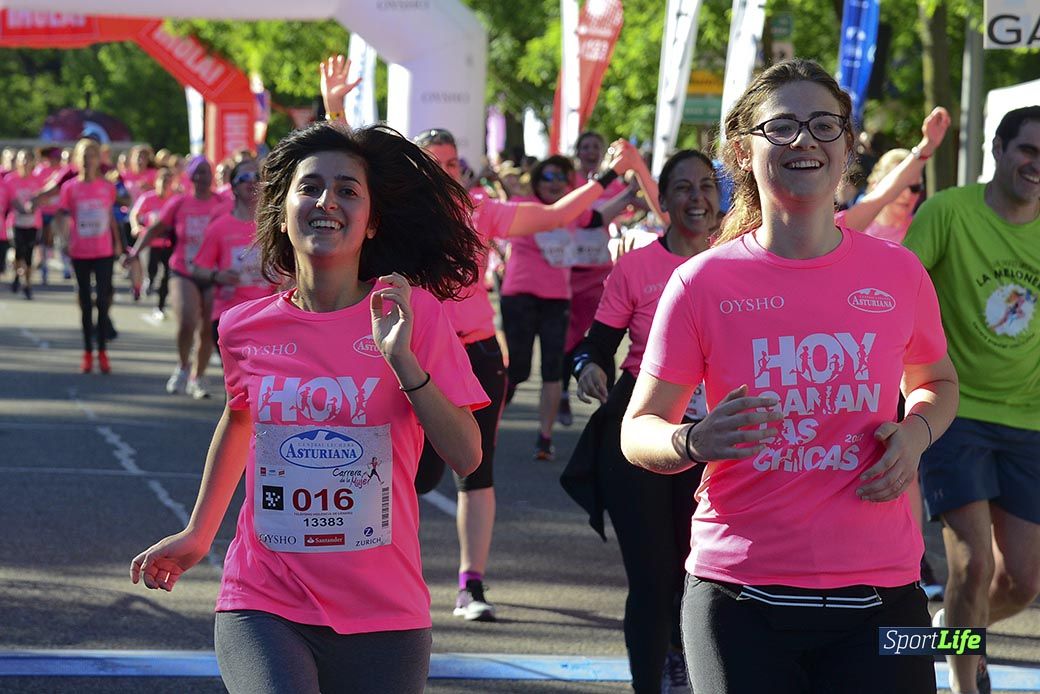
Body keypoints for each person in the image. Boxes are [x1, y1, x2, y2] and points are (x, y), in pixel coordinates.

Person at [620, 59, 959, 694]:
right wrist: (692, 441)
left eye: (824, 124)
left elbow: (937, 382)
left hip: (885, 595)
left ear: (848, 147)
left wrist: (915, 435)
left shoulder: (899, 273)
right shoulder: (701, 283)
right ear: (743, 152)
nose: (805, 139)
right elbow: (636, 429)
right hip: (738, 597)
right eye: (782, 127)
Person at [131, 121, 489, 694]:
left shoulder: (411, 313)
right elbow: (241, 416)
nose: (328, 201)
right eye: (310, 187)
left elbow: (468, 455)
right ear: (281, 210)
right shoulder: (244, 327)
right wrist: (200, 532)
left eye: (348, 189)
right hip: (263, 600)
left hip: (384, 613)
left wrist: (402, 361)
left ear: (372, 221)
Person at [319, 53, 647, 621]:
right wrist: (335, 109)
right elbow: (347, 169)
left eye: (453, 162)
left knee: (477, 469)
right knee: (402, 472)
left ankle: (471, 584)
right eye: (433, 161)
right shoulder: (393, 214)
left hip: (474, 354)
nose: (447, 171)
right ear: (414, 168)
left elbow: (555, 216)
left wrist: (607, 177)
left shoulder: (481, 211)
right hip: (404, 352)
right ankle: (376, 570)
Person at [563, 149, 717, 693]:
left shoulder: (736, 262)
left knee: (702, 574)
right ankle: (651, 680)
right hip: (643, 426)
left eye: (705, 186)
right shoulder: (636, 267)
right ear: (664, 200)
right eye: (682, 187)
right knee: (652, 580)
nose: (695, 197)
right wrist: (588, 370)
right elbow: (597, 345)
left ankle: (688, 658)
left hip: (718, 434)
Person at [904, 105, 1040, 694]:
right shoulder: (949, 213)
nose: (1037, 165)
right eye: (1028, 150)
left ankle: (953, 630)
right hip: (951, 409)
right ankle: (964, 683)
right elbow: (899, 290)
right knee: (972, 566)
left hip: (1028, 419)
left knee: (1023, 583)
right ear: (1000, 151)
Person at [500, 154, 635, 460]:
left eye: (561, 178)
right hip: (519, 297)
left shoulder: (571, 211)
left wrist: (629, 193)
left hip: (557, 299)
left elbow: (601, 217)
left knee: (552, 370)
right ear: (536, 181)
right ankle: (489, 420)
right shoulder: (521, 207)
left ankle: (544, 439)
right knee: (519, 369)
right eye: (547, 177)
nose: (555, 183)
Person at [128, 155, 229, 398]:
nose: (203, 177)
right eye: (199, 172)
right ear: (191, 176)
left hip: (212, 273)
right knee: (187, 321)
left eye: (207, 172)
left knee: (206, 329)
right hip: (184, 270)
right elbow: (155, 228)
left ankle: (198, 377)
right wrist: (135, 252)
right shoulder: (180, 203)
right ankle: (183, 366)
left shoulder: (222, 203)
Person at [53, 138, 122, 374]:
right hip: (79, 252)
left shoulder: (107, 187)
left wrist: (119, 245)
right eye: (83, 156)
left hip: (103, 251)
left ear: (97, 160)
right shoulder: (69, 188)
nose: (86, 160)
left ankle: (102, 351)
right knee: (85, 303)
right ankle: (87, 353)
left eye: (91, 155)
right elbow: (61, 215)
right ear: (76, 160)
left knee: (103, 302)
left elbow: (111, 217)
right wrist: (63, 239)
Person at [193, 157, 275, 348]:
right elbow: (197, 269)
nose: (252, 181)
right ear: (234, 187)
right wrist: (217, 275)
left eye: (257, 176)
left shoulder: (274, 226)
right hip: (230, 314)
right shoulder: (219, 228)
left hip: (268, 314)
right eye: (245, 176)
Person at [842, 106, 951, 243]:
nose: (907, 195)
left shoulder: (929, 233)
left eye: (915, 188)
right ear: (875, 184)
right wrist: (927, 146)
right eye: (900, 185)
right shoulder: (847, 230)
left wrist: (929, 144)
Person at [130, 167, 177, 318]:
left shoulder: (175, 200)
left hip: (169, 244)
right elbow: (135, 214)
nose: (164, 186)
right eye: (162, 182)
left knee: (168, 275)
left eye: (168, 183)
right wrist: (136, 226)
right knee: (152, 269)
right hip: (151, 243)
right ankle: (149, 279)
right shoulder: (147, 198)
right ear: (156, 182)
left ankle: (161, 305)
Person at [7, 149, 42, 299]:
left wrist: (33, 207)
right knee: (17, 251)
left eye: (28, 159)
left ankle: (27, 284)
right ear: (18, 162)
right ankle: (16, 273)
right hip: (15, 222)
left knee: (28, 255)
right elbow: (9, 199)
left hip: (33, 223)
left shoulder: (37, 180)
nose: (25, 163)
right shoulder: (10, 179)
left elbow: (42, 197)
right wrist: (21, 208)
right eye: (23, 159)